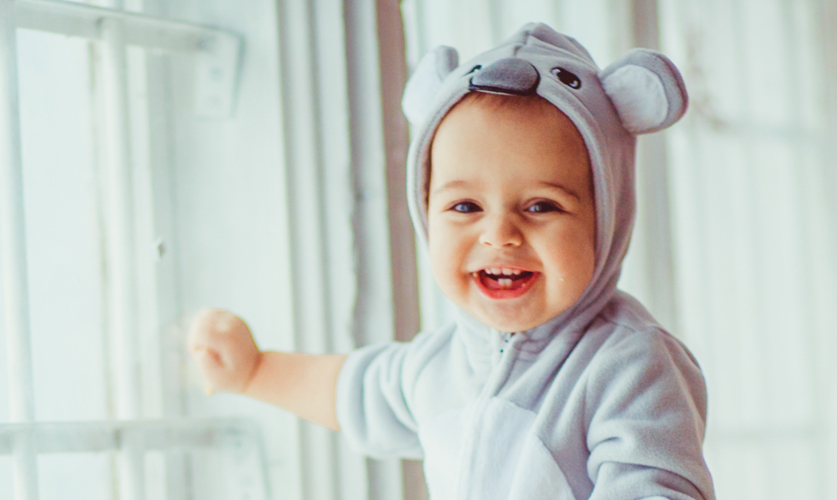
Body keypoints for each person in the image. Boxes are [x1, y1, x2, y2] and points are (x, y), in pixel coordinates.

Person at [187, 23, 715, 500]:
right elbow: (349, 391)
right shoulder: (438, 366)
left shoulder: (629, 365)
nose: (500, 235)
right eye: (465, 207)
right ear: (425, 213)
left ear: (607, 217)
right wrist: (255, 370)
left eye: (541, 206)